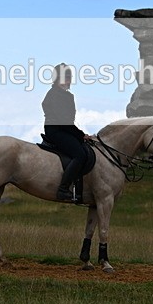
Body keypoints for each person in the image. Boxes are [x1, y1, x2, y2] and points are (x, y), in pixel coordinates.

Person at [42, 63, 91, 202]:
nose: (69, 80)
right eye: (66, 77)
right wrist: (81, 135)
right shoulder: (54, 94)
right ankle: (63, 189)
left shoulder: (67, 96)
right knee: (80, 155)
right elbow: (63, 121)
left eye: (69, 77)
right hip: (56, 130)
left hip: (65, 129)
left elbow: (68, 121)